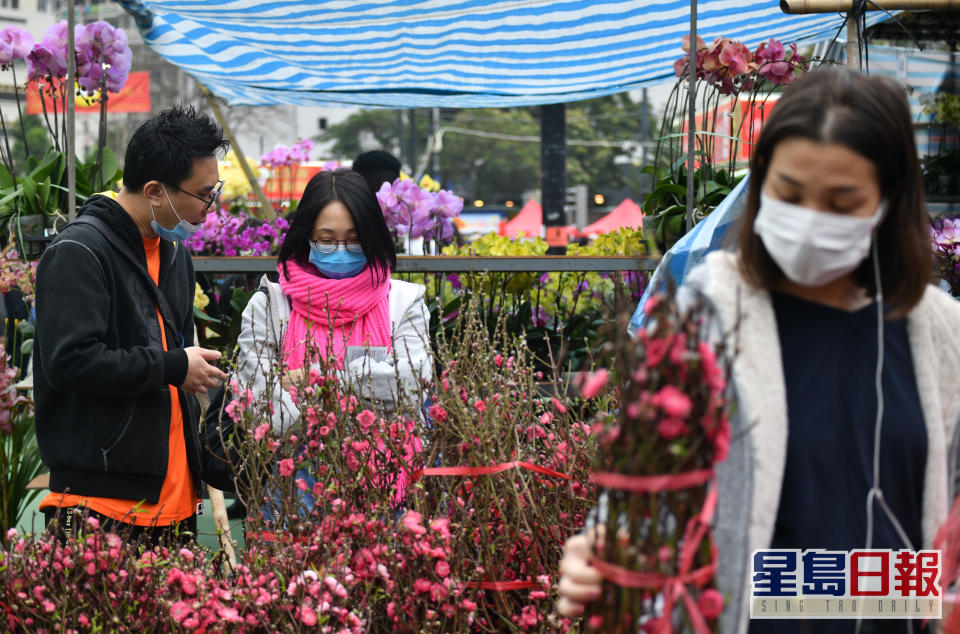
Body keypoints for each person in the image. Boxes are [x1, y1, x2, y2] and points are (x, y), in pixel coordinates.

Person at [557, 67, 960, 633]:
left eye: (842, 202)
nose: (811, 219)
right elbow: (648, 481)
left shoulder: (939, 333)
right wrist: (603, 548)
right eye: (789, 194)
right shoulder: (713, 310)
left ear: (889, 201)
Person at [34, 105, 230, 544]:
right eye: (203, 195)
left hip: (176, 496)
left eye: (213, 192)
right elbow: (70, 362)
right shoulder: (78, 252)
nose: (209, 210)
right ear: (156, 190)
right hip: (98, 501)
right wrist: (173, 367)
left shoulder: (175, 253)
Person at [235, 167, 431, 435]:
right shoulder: (269, 305)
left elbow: (412, 388)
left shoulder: (404, 303)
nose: (341, 250)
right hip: (294, 469)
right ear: (306, 237)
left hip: (390, 471)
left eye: (355, 240)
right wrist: (367, 386)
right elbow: (258, 405)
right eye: (326, 240)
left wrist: (308, 379)